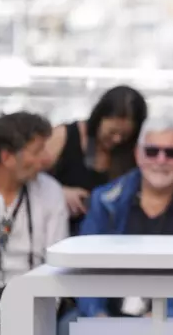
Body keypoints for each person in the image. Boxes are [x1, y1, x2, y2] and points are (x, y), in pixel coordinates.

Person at [57, 117, 173, 335]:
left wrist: (163, 317)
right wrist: (97, 315)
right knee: (67, 326)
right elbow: (84, 267)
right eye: (152, 151)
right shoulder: (105, 199)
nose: (160, 160)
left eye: (171, 153)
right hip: (110, 313)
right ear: (138, 154)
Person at [45, 85, 148, 235]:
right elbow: (27, 177)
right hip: (57, 231)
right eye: (111, 132)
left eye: (125, 135)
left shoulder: (135, 152)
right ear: (99, 118)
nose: (117, 139)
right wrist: (59, 192)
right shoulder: (64, 136)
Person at [0, 112, 69, 292]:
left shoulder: (50, 191)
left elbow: (58, 265)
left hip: (35, 298)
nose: (46, 159)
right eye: (37, 151)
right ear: (7, 157)